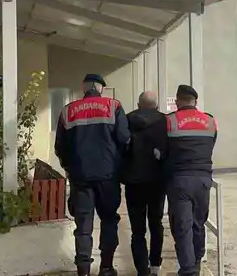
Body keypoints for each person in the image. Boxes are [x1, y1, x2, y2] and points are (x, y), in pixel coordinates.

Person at [55, 74, 130, 276]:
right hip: (108, 176)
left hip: (80, 177)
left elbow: (60, 147)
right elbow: (125, 139)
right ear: (100, 88)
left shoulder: (68, 111)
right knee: (109, 220)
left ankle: (84, 271)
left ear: (84, 88)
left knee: (83, 226)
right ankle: (106, 267)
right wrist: (118, 165)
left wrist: (70, 168)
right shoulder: (113, 106)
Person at [159, 84, 218, 276]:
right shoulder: (210, 121)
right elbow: (211, 145)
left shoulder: (169, 121)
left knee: (183, 226)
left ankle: (188, 269)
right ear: (196, 101)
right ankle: (197, 262)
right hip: (203, 179)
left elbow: (162, 152)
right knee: (198, 223)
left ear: (177, 101)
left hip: (179, 181)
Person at [121, 91, 168, 276]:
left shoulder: (127, 119)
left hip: (134, 182)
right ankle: (155, 265)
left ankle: (142, 269)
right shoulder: (164, 121)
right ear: (156, 105)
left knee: (137, 230)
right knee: (156, 223)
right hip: (157, 182)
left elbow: (121, 147)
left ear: (138, 104)